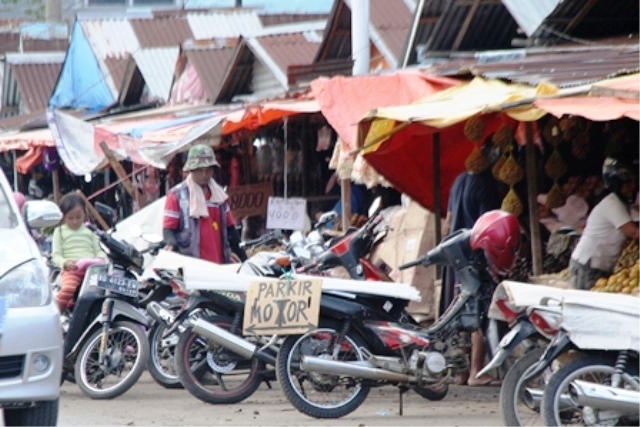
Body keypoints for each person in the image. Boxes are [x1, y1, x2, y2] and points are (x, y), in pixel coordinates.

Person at [444, 143, 505, 386]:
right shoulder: (487, 184)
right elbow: (487, 226)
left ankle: (460, 372)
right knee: (479, 312)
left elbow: (449, 219)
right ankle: (477, 372)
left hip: (455, 251)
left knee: (461, 310)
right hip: (476, 254)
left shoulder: (458, 181)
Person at [163, 144, 247, 263]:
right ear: (191, 170)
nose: (204, 174)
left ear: (213, 169)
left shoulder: (219, 197)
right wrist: (171, 244)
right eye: (199, 170)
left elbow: (231, 230)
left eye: (208, 170)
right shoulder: (177, 196)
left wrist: (244, 258)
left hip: (220, 265)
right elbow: (168, 229)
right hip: (192, 266)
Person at [569, 157, 639, 290]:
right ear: (616, 184)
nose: (632, 187)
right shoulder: (612, 204)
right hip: (589, 267)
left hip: (598, 266)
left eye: (633, 183)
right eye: (627, 184)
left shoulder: (621, 204)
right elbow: (634, 232)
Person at [51, 193, 106, 313]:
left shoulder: (90, 230)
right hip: (72, 270)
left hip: (91, 270)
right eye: (70, 218)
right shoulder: (59, 231)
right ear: (63, 217)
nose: (75, 221)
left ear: (85, 215)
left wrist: (101, 258)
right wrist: (66, 263)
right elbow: (56, 255)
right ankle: (56, 313)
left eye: (78, 217)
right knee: (68, 289)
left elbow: (99, 250)